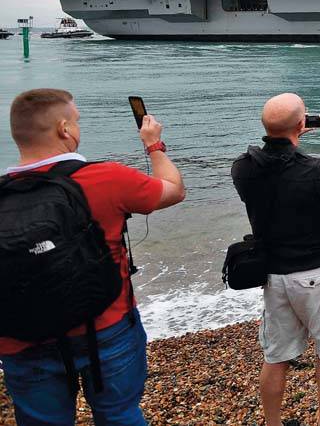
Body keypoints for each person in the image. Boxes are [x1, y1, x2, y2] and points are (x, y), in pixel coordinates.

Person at [0, 89, 185, 425]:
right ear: (64, 130)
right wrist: (154, 144)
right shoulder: (106, 177)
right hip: (107, 326)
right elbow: (173, 189)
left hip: (20, 337)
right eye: (77, 121)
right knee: (119, 414)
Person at [232, 94, 320, 426]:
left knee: (276, 356)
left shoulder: (243, 168)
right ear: (301, 125)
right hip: (317, 274)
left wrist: (289, 139)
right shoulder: (316, 171)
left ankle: (273, 423)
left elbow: (276, 169)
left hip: (274, 276)